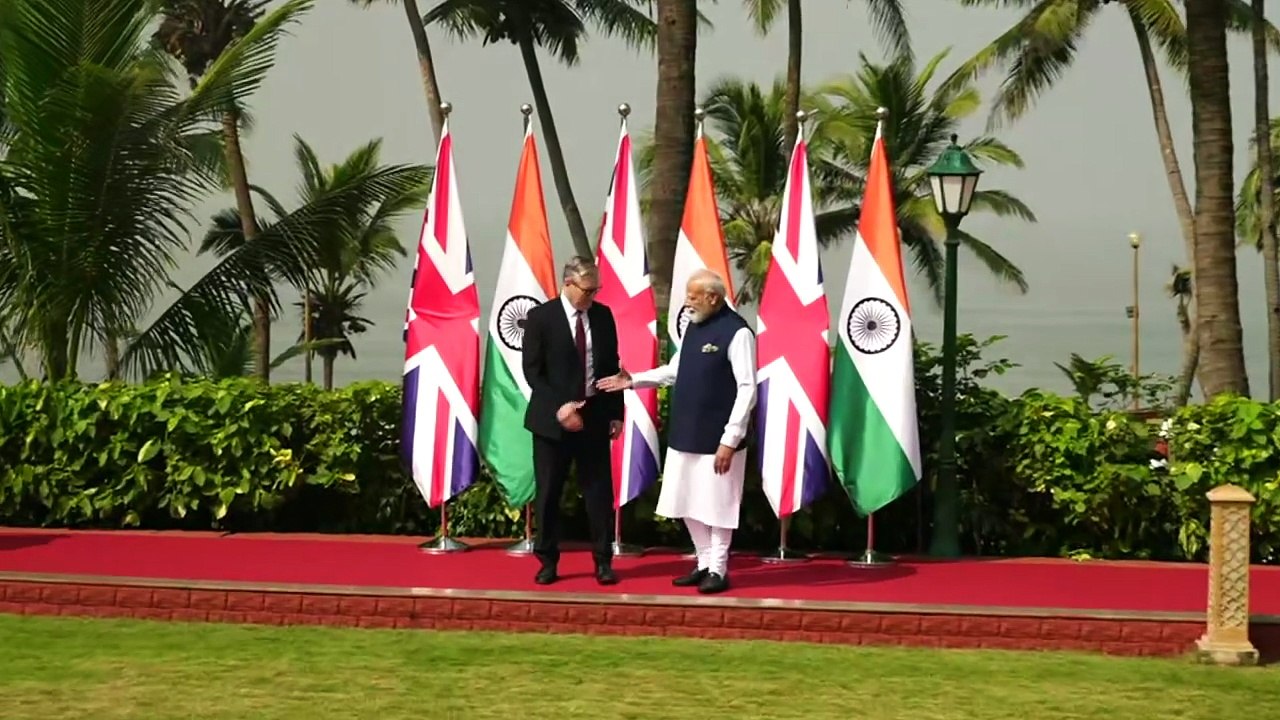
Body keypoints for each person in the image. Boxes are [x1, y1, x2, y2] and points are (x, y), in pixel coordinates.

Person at [596, 269, 755, 594]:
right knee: (685, 501)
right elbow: (674, 371)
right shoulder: (695, 329)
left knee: (719, 505)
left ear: (713, 297)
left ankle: (719, 570)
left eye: (694, 297)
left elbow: (747, 388)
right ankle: (704, 561)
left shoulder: (738, 333)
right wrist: (633, 381)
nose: (688, 302)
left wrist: (730, 438)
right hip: (686, 433)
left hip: (719, 439)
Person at [522, 256, 625, 586]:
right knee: (550, 492)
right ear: (567, 284)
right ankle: (548, 560)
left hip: (594, 417)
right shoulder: (541, 318)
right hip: (553, 423)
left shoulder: (603, 316)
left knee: (598, 493)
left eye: (596, 289)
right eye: (587, 289)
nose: (592, 296)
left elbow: (612, 367)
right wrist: (561, 408)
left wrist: (615, 413)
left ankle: (603, 560)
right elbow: (533, 372)